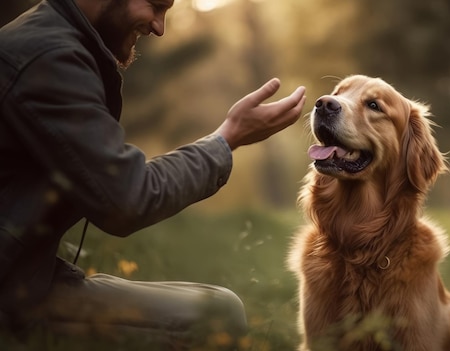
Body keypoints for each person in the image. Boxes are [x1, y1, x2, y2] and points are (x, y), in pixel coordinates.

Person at [0, 0, 306, 349]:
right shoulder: (48, 58)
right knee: (217, 316)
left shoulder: (48, 40)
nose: (159, 27)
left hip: (28, 276)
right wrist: (227, 139)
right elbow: (128, 199)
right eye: (156, 6)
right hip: (13, 294)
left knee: (215, 301)